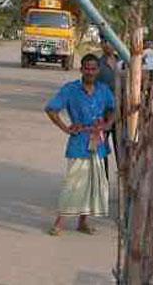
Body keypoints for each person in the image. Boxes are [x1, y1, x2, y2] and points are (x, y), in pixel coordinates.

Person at [45, 54, 115, 236]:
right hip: (79, 142)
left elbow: (114, 109)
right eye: (87, 68)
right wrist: (66, 129)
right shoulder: (71, 89)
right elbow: (51, 109)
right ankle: (59, 223)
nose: (90, 72)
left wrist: (107, 125)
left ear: (98, 70)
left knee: (93, 183)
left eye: (94, 69)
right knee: (73, 183)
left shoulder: (104, 89)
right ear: (81, 69)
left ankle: (83, 222)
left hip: (98, 143)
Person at [96, 38, 119, 179]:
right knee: (101, 149)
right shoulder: (98, 65)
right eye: (104, 42)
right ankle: (102, 183)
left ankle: (123, 185)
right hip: (103, 113)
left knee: (122, 151)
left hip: (122, 114)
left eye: (110, 41)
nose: (107, 45)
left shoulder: (123, 61)